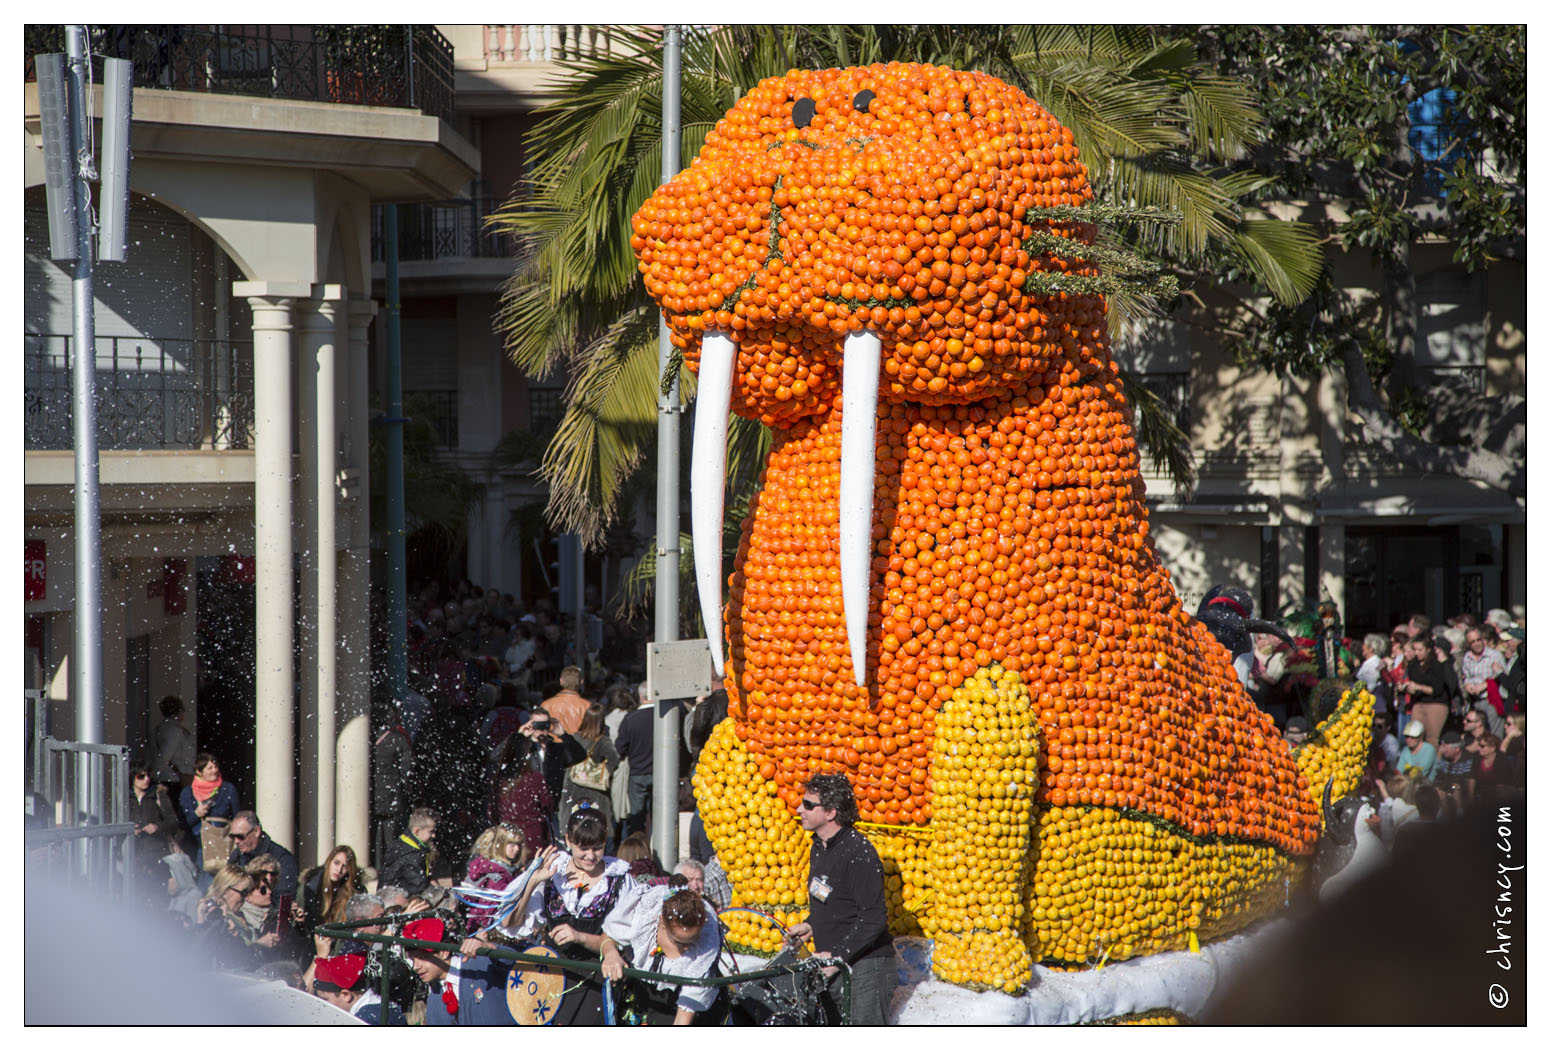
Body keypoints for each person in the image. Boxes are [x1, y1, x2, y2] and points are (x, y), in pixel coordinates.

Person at [499, 807, 633, 1025]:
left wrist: (579, 936)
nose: (591, 856)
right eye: (583, 848)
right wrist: (533, 880)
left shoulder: (617, 878)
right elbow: (509, 922)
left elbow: (617, 940)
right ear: (569, 840)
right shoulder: (554, 869)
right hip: (549, 975)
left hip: (592, 977)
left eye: (597, 848)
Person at [781, 773, 897, 1026]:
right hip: (835, 962)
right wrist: (811, 924)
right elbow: (836, 901)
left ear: (831, 812)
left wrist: (839, 957)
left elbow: (874, 918)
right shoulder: (818, 847)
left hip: (866, 968)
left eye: (808, 805)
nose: (799, 809)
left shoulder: (859, 853)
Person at [605, 883, 727, 1025]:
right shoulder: (644, 914)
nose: (687, 948)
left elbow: (684, 1017)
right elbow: (608, 935)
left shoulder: (704, 948)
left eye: (693, 941)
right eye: (679, 942)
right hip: (640, 1001)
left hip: (685, 1012)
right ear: (661, 921)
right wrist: (611, 953)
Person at [293, 845, 366, 955]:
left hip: (339, 952)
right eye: (336, 863)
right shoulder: (310, 888)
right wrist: (300, 921)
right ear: (329, 861)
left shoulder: (353, 894)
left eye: (344, 866)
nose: (339, 870)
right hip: (310, 950)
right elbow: (300, 930)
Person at [560, 708, 620, 842]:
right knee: (596, 822)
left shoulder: (574, 737)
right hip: (596, 790)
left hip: (573, 787)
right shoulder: (603, 740)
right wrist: (602, 770)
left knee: (574, 821)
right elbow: (614, 759)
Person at [491, 732, 555, 853]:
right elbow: (547, 805)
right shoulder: (535, 778)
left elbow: (492, 812)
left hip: (508, 839)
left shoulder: (499, 780)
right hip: (533, 838)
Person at [179, 752, 241, 871]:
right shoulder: (188, 793)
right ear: (199, 771)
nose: (214, 770)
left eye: (216, 766)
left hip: (220, 849)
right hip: (196, 849)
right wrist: (196, 814)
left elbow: (237, 818)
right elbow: (182, 824)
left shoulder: (228, 790)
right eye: (210, 768)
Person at [464, 824, 530, 931]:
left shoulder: (508, 870)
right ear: (500, 844)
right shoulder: (497, 876)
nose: (517, 849)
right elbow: (490, 912)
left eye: (519, 844)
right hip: (490, 930)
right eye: (511, 844)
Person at [127, 764, 181, 894]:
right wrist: (129, 829)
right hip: (133, 853)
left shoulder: (158, 794)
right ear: (133, 778)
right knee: (135, 891)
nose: (146, 779)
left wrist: (157, 827)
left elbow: (173, 821)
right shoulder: (125, 797)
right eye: (141, 776)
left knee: (158, 892)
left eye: (148, 776)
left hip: (156, 853)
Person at [616, 682, 659, 840]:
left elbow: (620, 747)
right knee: (660, 816)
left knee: (636, 816)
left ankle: (637, 848)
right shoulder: (665, 718)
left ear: (641, 697)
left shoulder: (631, 719)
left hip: (638, 773)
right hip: (660, 773)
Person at [313, 952, 405, 1025]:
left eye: (325, 999)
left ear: (345, 995)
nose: (321, 1004)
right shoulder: (385, 1007)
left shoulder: (365, 1019)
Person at [225, 810, 300, 897]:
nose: (236, 841)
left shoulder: (282, 859)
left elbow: (284, 898)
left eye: (240, 836)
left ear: (257, 831)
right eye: (233, 837)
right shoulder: (236, 856)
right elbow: (225, 889)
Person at [1399, 637, 1450, 746]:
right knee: (1415, 735)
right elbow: (1414, 686)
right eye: (1415, 649)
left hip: (1436, 703)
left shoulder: (1436, 664)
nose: (1416, 653)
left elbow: (1437, 689)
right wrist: (1408, 688)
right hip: (1419, 702)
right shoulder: (1413, 665)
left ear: (1428, 649)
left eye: (1420, 650)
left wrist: (1418, 687)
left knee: (1432, 738)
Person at [379, 808, 438, 896]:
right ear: (417, 831)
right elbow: (419, 888)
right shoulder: (412, 855)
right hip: (401, 903)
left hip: (389, 899)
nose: (434, 835)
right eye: (431, 831)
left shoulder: (401, 844)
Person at [149, 694, 196, 798]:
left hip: (165, 777)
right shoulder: (176, 731)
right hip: (174, 778)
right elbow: (165, 755)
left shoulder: (157, 730)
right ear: (178, 712)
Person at [1460, 627, 1507, 711]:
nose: (1477, 644)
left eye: (1478, 640)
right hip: (1473, 700)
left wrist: (1484, 685)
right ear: (1468, 644)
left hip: (1491, 700)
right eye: (1472, 642)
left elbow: (1502, 677)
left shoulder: (1495, 655)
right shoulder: (1467, 657)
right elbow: (1466, 676)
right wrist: (1467, 685)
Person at [542, 665, 591, 736]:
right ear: (581, 682)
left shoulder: (546, 705)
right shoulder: (587, 706)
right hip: (579, 746)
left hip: (553, 746)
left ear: (561, 681)